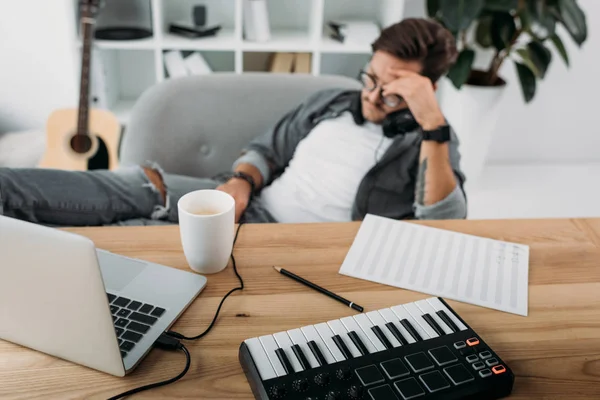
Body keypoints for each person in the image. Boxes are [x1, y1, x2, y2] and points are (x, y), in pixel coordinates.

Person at [0, 18, 466, 227]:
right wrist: (241, 182)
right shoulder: (330, 102)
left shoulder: (433, 142)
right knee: (127, 186)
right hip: (246, 204)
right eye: (371, 76)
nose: (372, 95)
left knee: (115, 244)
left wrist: (432, 127)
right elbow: (267, 148)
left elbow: (446, 221)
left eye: (394, 87)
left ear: (425, 89)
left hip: (286, 242)